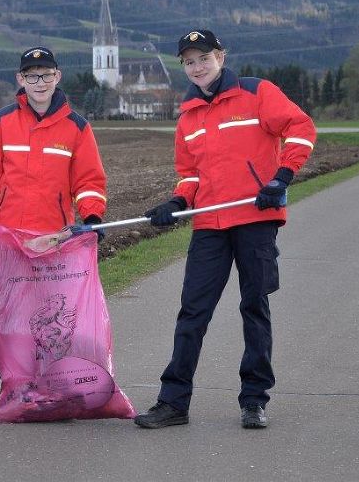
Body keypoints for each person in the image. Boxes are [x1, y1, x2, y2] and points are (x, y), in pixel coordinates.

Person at [134, 29, 316, 430]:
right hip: (210, 224)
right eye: (188, 62)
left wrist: (281, 178)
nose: (197, 67)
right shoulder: (189, 116)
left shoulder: (256, 93)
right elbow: (189, 173)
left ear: (220, 56)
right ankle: (173, 402)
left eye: (203, 58)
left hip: (256, 219)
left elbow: (301, 129)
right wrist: (178, 203)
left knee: (254, 308)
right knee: (192, 314)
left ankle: (254, 400)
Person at [0, 46, 107, 420]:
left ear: (57, 76)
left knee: (54, 322)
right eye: (31, 75)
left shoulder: (77, 127)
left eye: (46, 74)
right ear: (20, 80)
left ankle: (56, 393)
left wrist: (92, 217)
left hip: (55, 242)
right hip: (8, 239)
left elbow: (90, 181)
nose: (39, 82)